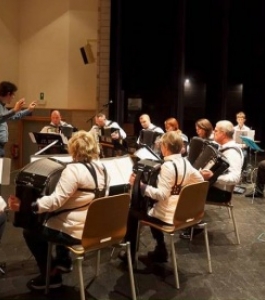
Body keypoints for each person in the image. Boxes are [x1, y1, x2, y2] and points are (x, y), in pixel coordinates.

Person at [8, 130, 109, 290]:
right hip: (92, 227)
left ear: (74, 149)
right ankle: (63, 261)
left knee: (31, 231)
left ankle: (50, 275)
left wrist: (25, 206)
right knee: (59, 217)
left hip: (76, 232)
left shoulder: (74, 170)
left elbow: (55, 201)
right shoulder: (101, 168)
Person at [118, 131, 209, 263]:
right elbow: (200, 180)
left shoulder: (167, 167)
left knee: (133, 213)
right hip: (183, 212)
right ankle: (160, 250)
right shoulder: (185, 162)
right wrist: (180, 189)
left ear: (165, 147)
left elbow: (161, 195)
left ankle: (129, 255)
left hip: (170, 216)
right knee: (151, 208)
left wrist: (141, 186)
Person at [180, 120, 243, 239]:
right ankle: (188, 219)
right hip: (212, 186)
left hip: (222, 193)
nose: (213, 132)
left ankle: (195, 224)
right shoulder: (218, 146)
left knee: (187, 190)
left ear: (223, 133)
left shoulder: (232, 152)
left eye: (216, 130)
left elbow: (235, 178)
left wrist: (213, 177)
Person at [0, 81, 36, 157]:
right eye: (13, 94)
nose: (13, 97)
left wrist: (28, 110)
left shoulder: (2, 107)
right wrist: (14, 110)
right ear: (8, 94)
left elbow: (12, 116)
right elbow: (1, 118)